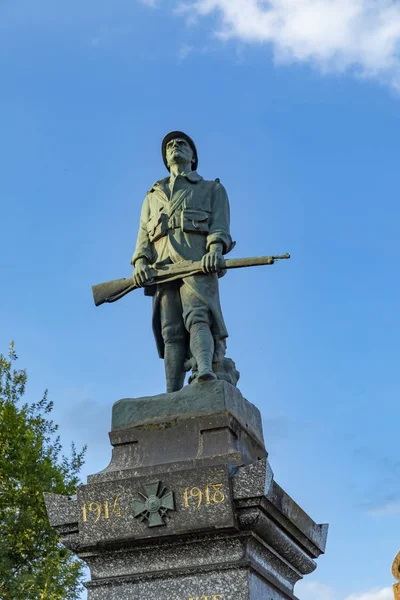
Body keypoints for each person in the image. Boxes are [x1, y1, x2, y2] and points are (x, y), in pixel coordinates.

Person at [131, 131, 234, 392]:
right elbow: (143, 233)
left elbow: (219, 225)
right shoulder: (153, 195)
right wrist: (141, 262)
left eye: (182, 143)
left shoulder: (212, 188)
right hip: (163, 267)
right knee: (171, 330)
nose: (175, 146)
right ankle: (172, 392)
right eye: (170, 145)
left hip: (197, 261)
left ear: (193, 156)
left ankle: (205, 373)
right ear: (166, 158)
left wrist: (215, 249)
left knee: (198, 317)